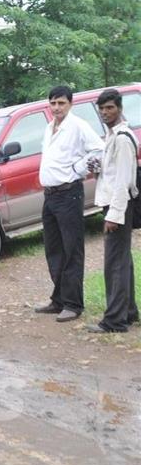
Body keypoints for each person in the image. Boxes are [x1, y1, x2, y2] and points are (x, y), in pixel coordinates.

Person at [35, 85, 104, 322]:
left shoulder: (78, 126)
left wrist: (77, 169)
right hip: (50, 196)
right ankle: (59, 299)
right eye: (53, 103)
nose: (57, 108)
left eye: (61, 103)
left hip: (69, 194)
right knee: (53, 249)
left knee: (72, 248)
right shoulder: (48, 128)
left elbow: (99, 149)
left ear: (70, 104)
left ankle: (74, 304)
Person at [85, 89, 139, 334]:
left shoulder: (123, 138)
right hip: (113, 204)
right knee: (122, 261)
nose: (105, 113)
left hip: (119, 206)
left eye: (110, 108)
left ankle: (115, 320)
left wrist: (114, 215)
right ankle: (128, 312)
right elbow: (113, 174)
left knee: (114, 264)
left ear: (120, 108)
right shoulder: (111, 136)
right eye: (102, 109)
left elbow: (124, 181)